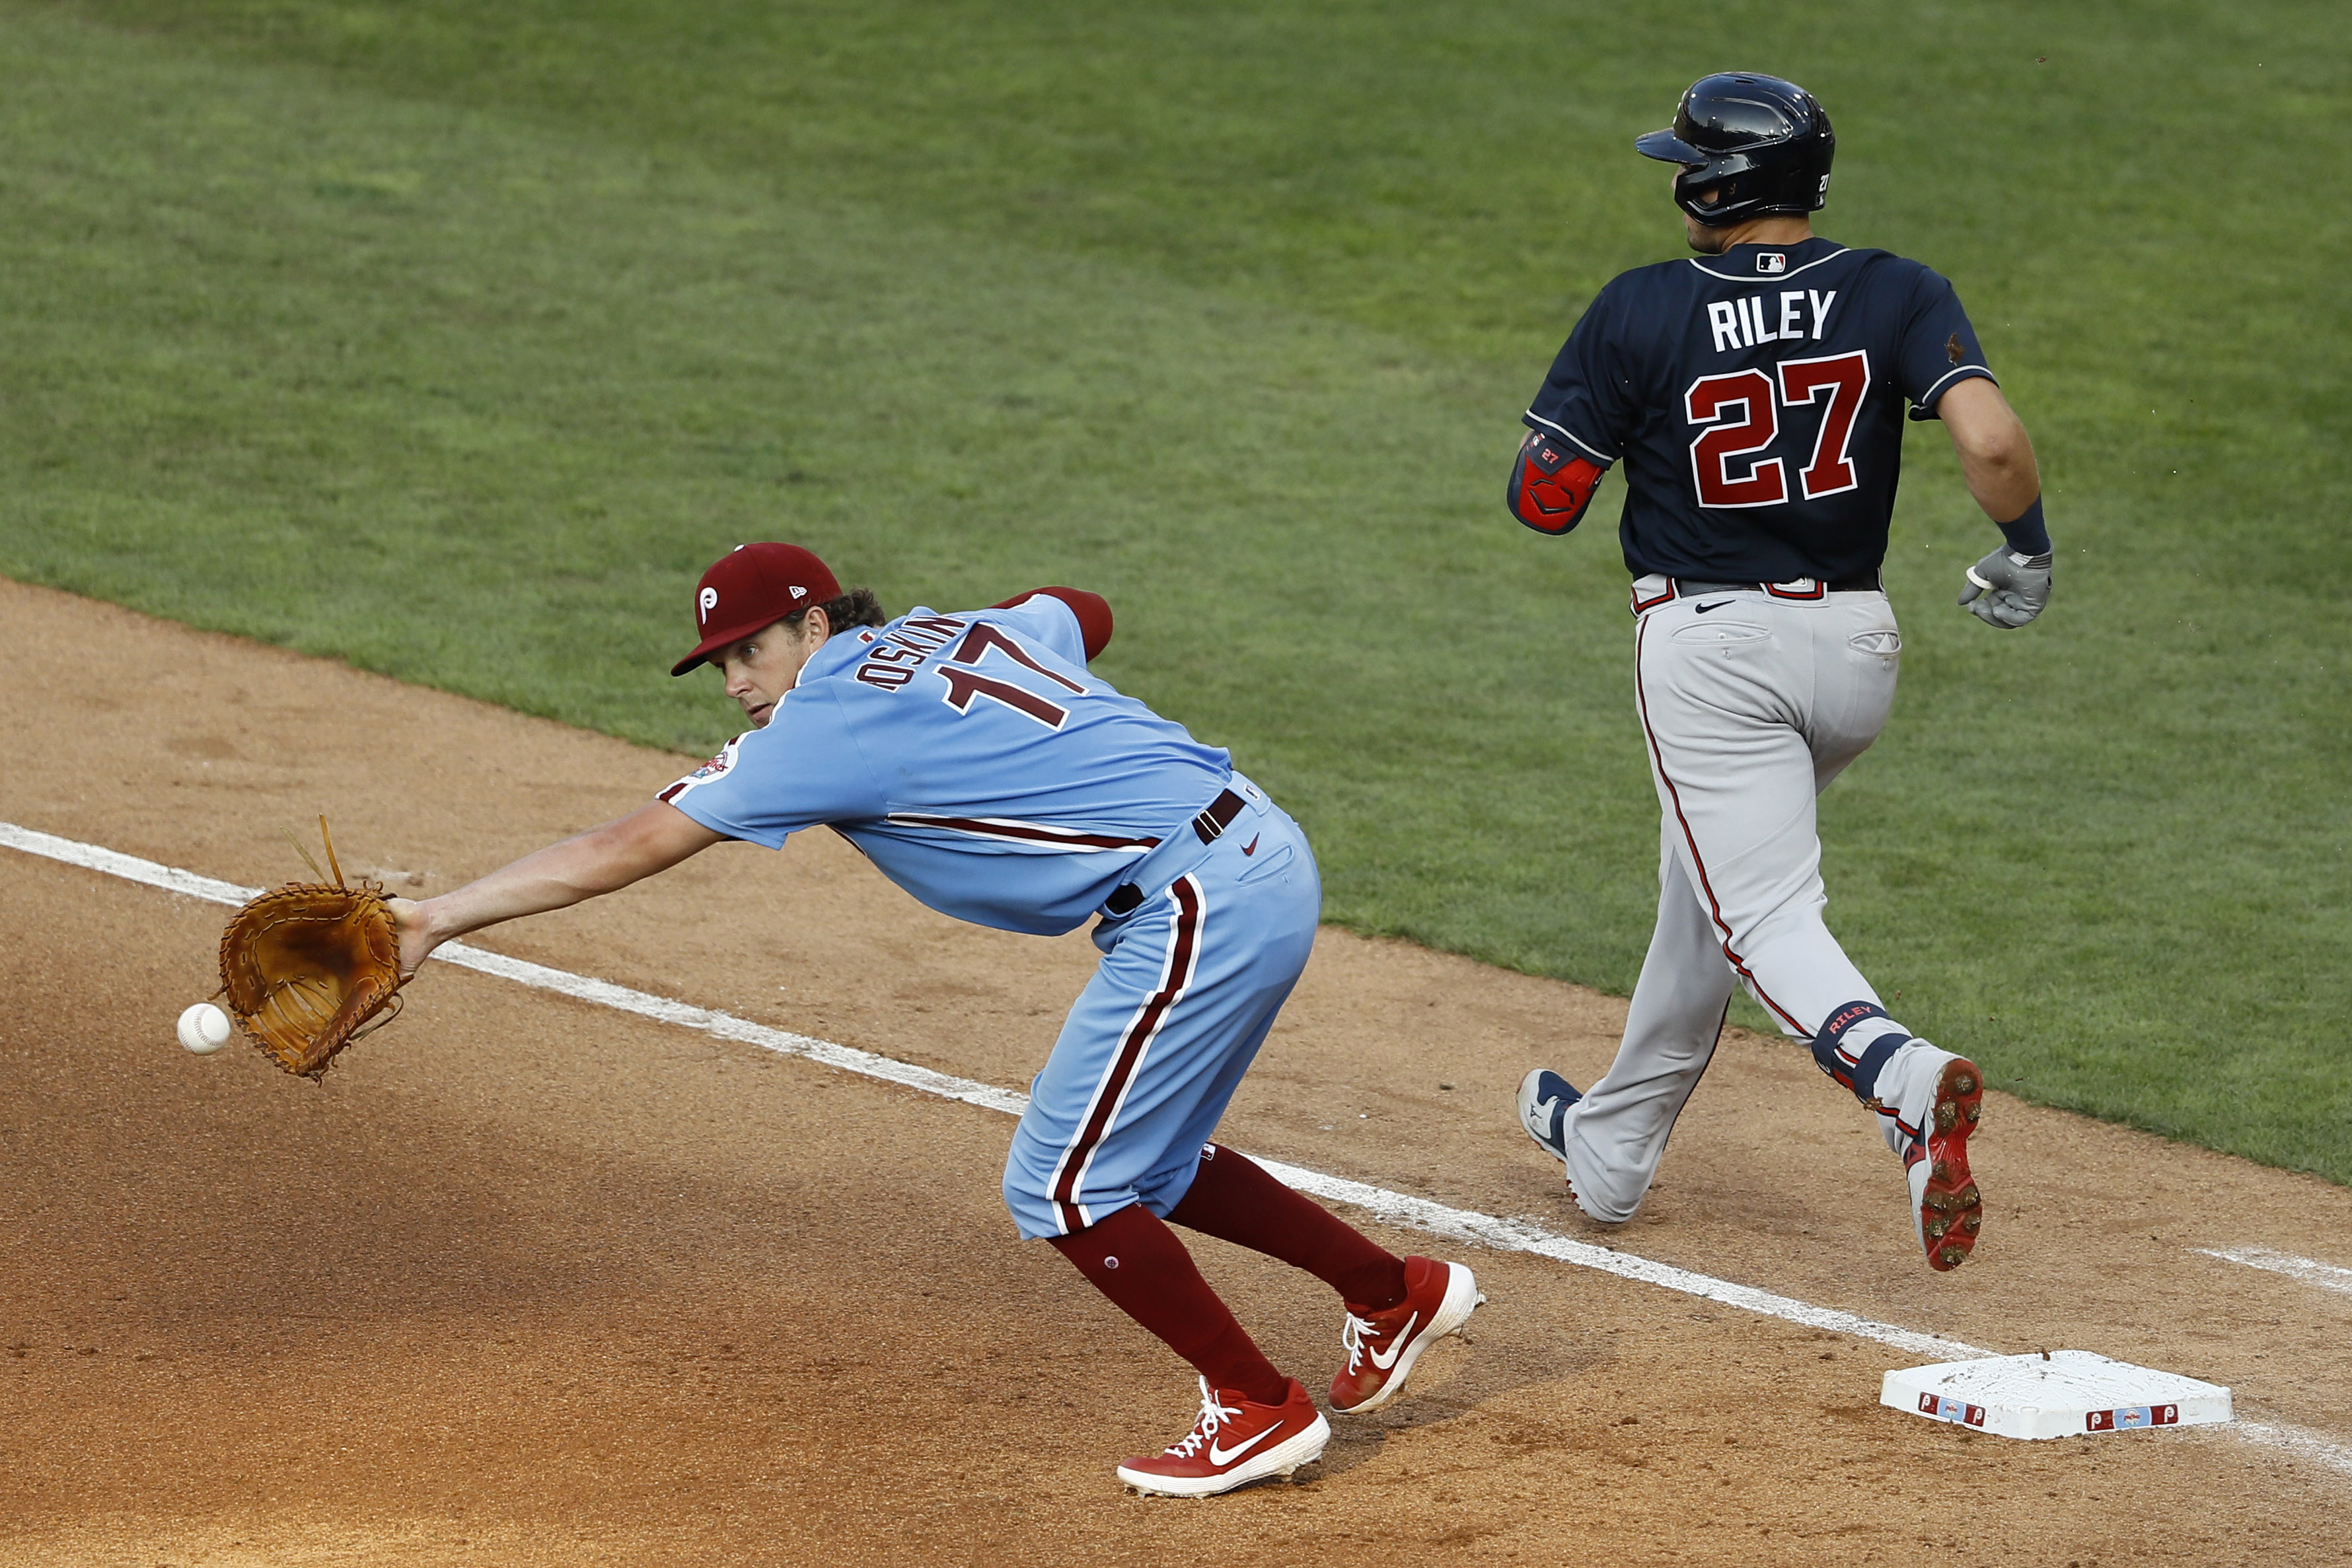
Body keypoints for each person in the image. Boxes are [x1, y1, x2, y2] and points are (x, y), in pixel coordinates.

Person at [388, 541, 1483, 1495]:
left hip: (1195, 903)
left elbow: (622, 847)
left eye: (751, 652)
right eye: (719, 664)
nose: (733, 683)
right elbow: (1077, 607)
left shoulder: (817, 728)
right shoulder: (944, 631)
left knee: (1060, 1186)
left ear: (815, 625)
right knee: (1145, 1162)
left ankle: (1257, 1405)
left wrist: (437, 917)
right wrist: (1013, 662)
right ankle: (1393, 1295)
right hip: (1262, 856)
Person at [1506, 73, 2054, 1272]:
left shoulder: (1643, 307)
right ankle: (1611, 1145)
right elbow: (1995, 441)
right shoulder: (1899, 289)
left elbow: (1543, 502)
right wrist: (2027, 551)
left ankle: (1901, 1080)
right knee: (1703, 886)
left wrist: (1591, 416)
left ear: (1717, 184)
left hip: (1713, 654)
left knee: (1757, 913)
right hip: (1856, 653)